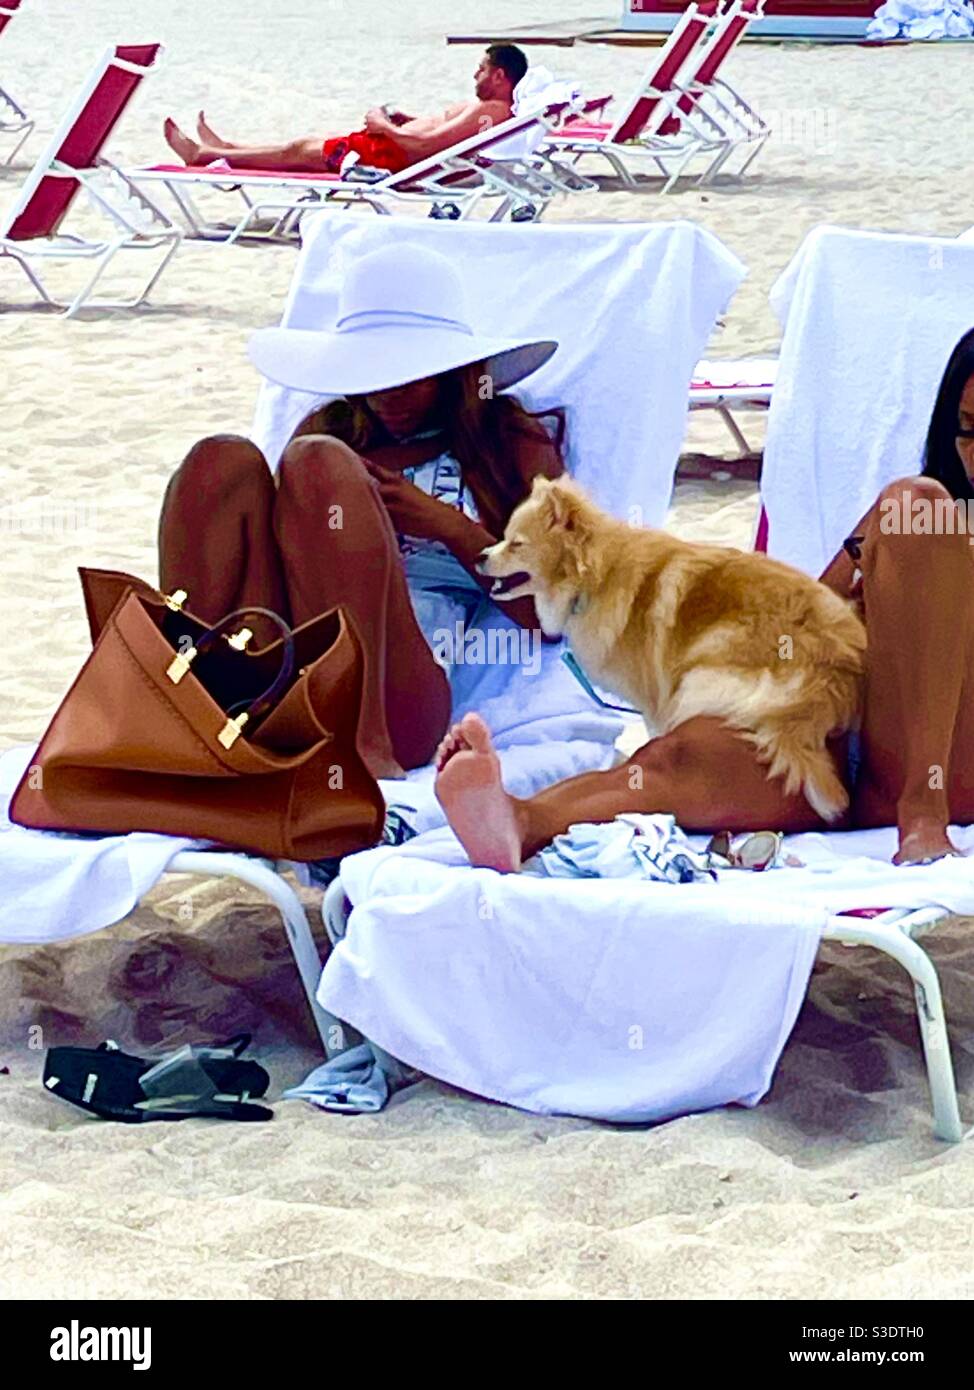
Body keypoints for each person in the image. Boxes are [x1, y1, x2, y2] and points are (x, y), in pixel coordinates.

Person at [433, 328, 974, 871]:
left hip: (945, 767)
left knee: (914, 503)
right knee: (674, 758)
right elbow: (815, 609)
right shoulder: (925, 519)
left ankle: (922, 815)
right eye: (968, 429)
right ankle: (520, 820)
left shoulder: (922, 515)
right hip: (836, 753)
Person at [157, 242, 560, 780]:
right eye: (372, 378)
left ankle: (359, 740)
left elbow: (553, 616)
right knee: (220, 460)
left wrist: (445, 525)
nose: (387, 398)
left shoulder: (506, 443)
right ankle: (181, 702)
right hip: (288, 661)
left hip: (398, 694)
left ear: (452, 373)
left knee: (321, 464)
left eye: (409, 376)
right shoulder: (331, 432)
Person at [162, 45, 529, 174]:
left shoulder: (490, 110)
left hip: (391, 156)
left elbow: (426, 148)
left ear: (499, 75)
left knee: (299, 152)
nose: (474, 74)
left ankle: (203, 155)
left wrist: (382, 124)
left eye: (480, 69)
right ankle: (226, 148)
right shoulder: (492, 110)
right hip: (391, 149)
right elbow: (437, 135)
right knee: (302, 146)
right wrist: (407, 121)